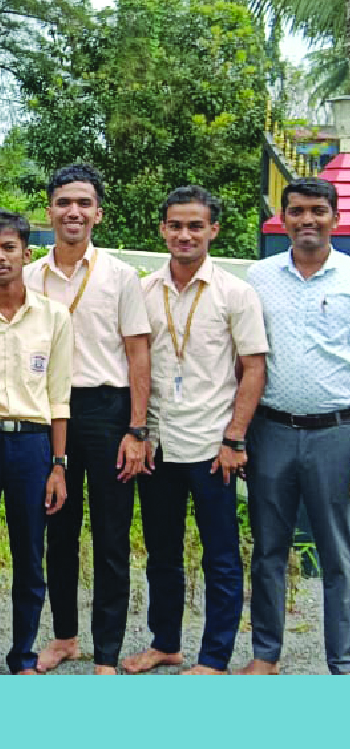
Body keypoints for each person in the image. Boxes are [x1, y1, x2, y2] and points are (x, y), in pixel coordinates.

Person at [121, 186, 266, 675]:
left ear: (213, 230)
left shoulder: (235, 293)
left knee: (220, 557)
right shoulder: (142, 290)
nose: (185, 235)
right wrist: (139, 432)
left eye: (195, 226)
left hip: (212, 445)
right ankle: (165, 643)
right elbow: (134, 363)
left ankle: (215, 657)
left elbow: (254, 369)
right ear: (162, 229)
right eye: (176, 225)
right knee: (162, 554)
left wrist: (234, 439)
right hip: (158, 443)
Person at [18, 165, 153, 675]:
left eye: (83, 203)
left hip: (106, 409)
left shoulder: (119, 276)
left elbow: (137, 355)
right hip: (48, 411)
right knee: (58, 529)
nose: (72, 211)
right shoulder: (29, 276)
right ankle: (65, 637)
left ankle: (109, 651)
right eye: (63, 202)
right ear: (49, 211)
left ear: (98, 213)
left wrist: (136, 429)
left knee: (112, 535)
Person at [242, 176, 350, 675]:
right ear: (282, 218)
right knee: (268, 550)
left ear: (335, 218)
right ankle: (265, 655)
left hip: (336, 433)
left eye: (318, 211)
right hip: (272, 431)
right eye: (298, 211)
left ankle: (342, 662)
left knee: (338, 552)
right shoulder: (258, 278)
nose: (308, 220)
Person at [0, 209, 71, 675]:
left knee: (30, 554)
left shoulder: (53, 316)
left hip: (32, 444)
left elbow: (59, 396)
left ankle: (23, 654)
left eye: (9, 248)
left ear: (27, 254)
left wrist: (58, 464)